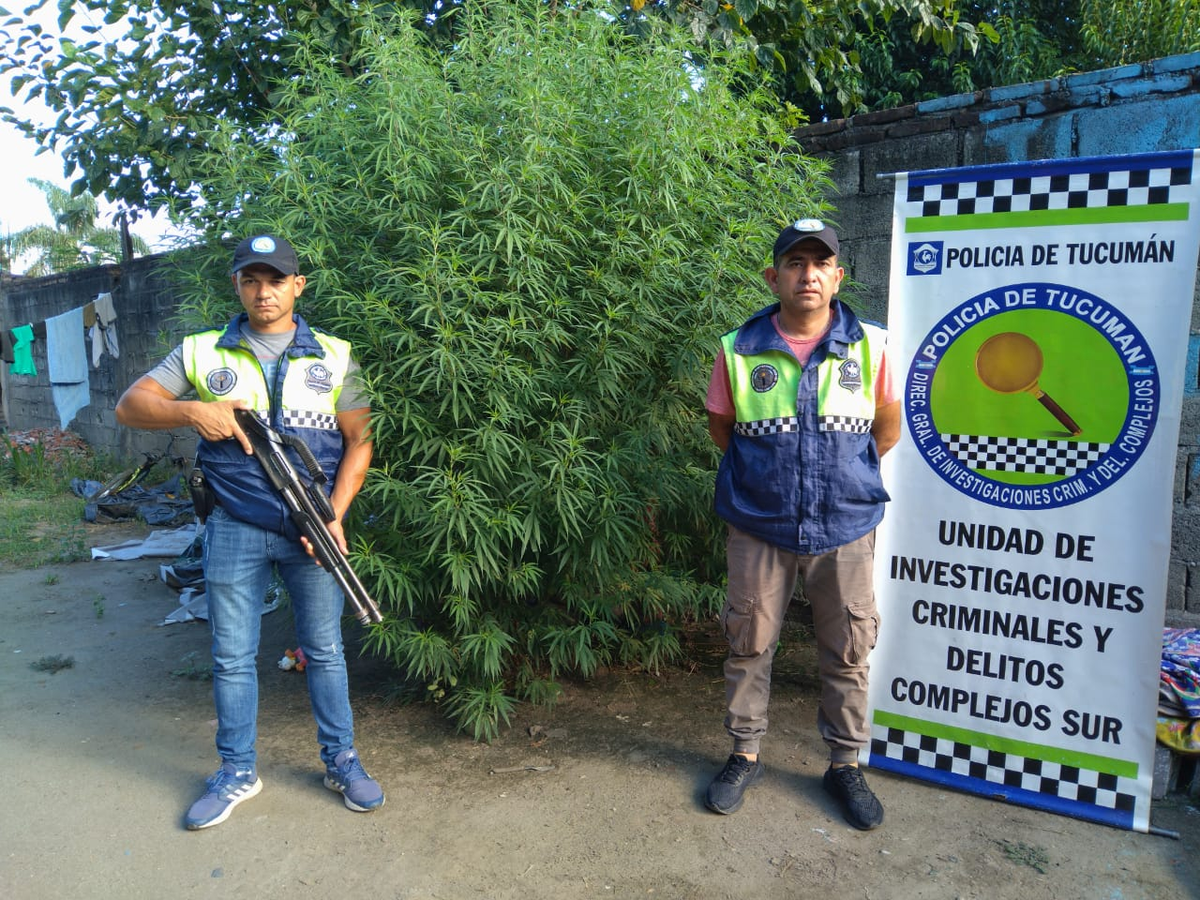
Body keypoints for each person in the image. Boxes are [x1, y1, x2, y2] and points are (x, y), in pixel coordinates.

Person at [115, 234, 385, 829]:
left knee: (325, 651)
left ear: (298, 286)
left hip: (311, 527)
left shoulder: (337, 355)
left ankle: (341, 759)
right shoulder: (201, 351)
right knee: (232, 656)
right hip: (234, 528)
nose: (263, 292)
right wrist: (191, 410)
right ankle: (237, 770)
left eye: (275, 280)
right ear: (237, 286)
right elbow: (131, 406)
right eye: (250, 280)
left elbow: (360, 442)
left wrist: (334, 515)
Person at [703, 219, 900, 830]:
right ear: (774, 276)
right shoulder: (738, 348)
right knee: (748, 643)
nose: (807, 274)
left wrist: (841, 479)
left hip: (844, 525)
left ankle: (845, 764)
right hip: (759, 525)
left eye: (820, 264)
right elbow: (724, 431)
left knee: (847, 649)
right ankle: (744, 753)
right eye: (794, 263)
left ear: (838, 276)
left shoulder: (872, 345)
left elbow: (885, 428)